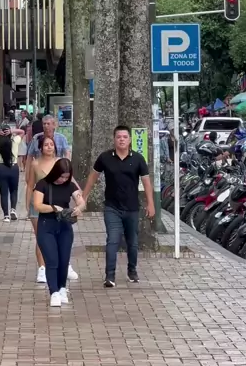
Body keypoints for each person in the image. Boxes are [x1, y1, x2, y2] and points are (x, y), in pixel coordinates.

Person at [82, 125, 155, 287]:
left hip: (132, 208)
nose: (122, 140)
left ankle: (132, 270)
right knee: (112, 240)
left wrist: (150, 203)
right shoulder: (105, 157)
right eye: (119, 137)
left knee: (132, 242)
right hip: (112, 207)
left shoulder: (138, 159)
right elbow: (93, 177)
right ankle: (110, 276)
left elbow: (146, 182)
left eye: (125, 137)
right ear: (114, 139)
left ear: (130, 140)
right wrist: (84, 197)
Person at [26, 136, 80, 284]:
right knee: (41, 237)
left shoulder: (61, 162)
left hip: (59, 206)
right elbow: (30, 185)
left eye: (51, 144)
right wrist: (27, 205)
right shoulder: (35, 164)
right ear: (40, 148)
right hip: (39, 204)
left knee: (62, 235)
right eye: (46, 145)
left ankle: (65, 265)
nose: (49, 147)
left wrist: (79, 198)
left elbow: (70, 181)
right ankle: (42, 268)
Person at [33, 158, 85, 307]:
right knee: (52, 260)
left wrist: (78, 208)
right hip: (46, 225)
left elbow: (81, 200)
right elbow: (37, 205)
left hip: (64, 226)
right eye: (61, 176)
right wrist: (54, 208)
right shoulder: (42, 184)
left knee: (64, 259)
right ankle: (54, 291)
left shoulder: (70, 185)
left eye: (66, 177)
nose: (63, 180)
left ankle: (62, 288)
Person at [0, 123, 23, 221]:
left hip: (1, 168)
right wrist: (12, 131)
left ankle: (6, 216)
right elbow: (22, 132)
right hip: (13, 167)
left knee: (3, 193)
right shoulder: (15, 140)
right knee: (14, 190)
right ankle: (13, 209)